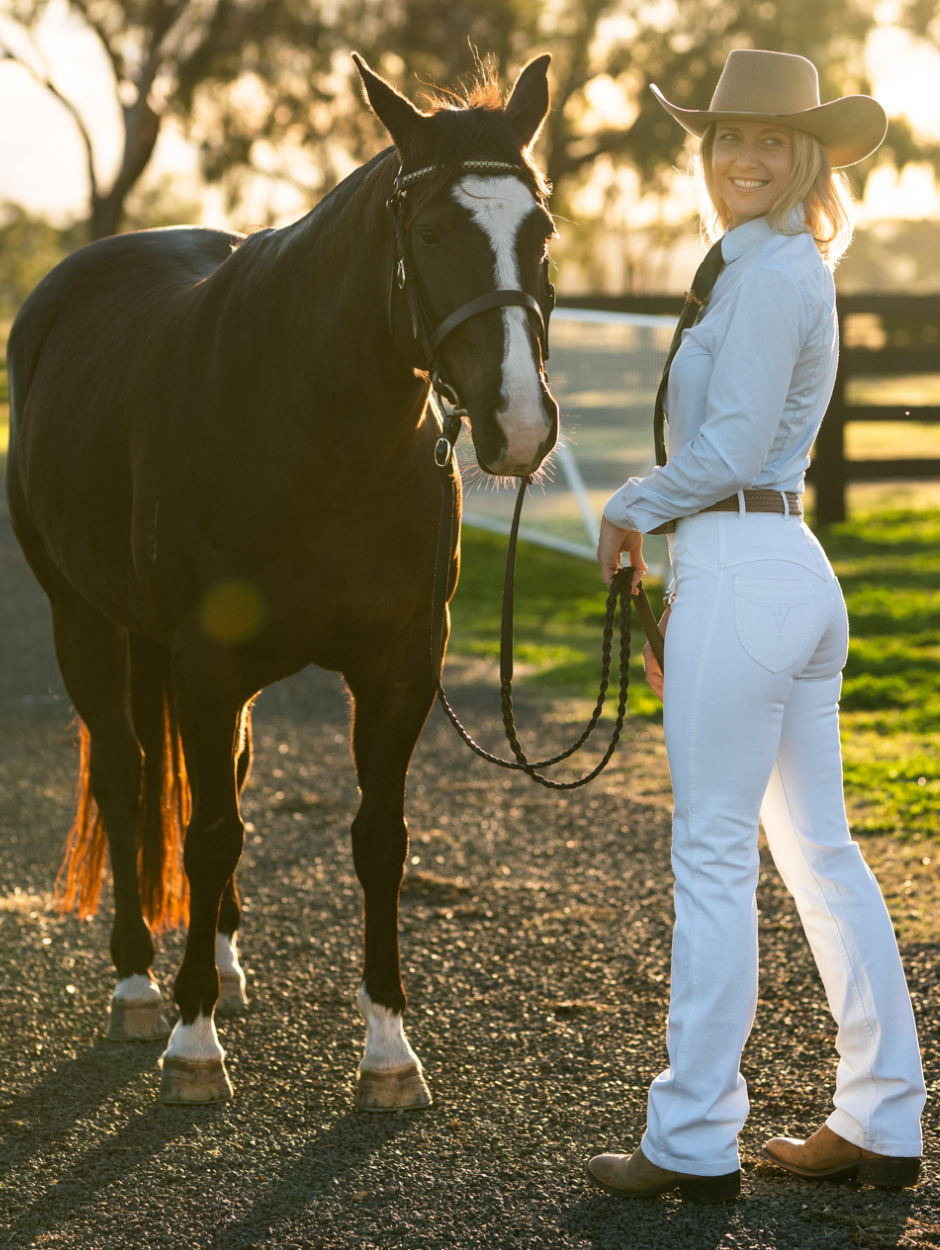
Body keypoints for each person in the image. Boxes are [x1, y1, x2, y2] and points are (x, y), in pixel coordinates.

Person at [587, 49, 926, 1204]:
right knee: (817, 854)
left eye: (772, 141)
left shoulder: (774, 274)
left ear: (808, 156)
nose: (746, 156)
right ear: (708, 150)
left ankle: (689, 1138)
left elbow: (726, 450)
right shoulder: (759, 269)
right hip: (777, 571)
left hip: (743, 570)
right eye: (729, 137)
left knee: (716, 857)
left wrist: (631, 506)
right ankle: (881, 1116)